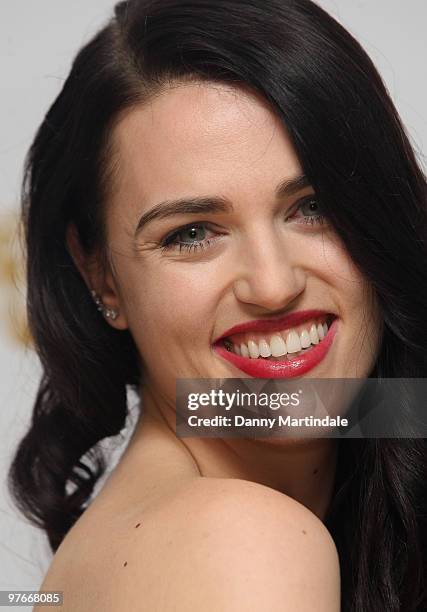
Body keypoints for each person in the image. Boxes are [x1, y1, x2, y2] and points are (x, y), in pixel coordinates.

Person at [8, 0, 427, 610]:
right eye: (192, 233)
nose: (274, 284)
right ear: (100, 274)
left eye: (315, 207)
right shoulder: (238, 542)